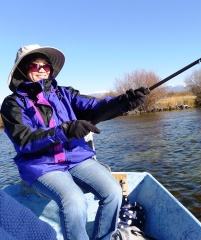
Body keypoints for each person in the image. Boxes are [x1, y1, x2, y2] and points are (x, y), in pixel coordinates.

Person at [0, 44, 147, 240]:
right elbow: (25, 139)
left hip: (76, 158)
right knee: (75, 201)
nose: (42, 70)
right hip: (42, 166)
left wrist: (123, 102)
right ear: (22, 70)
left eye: (46, 66)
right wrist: (64, 130)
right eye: (35, 66)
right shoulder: (12, 104)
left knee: (113, 191)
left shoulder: (63, 93)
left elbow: (95, 108)